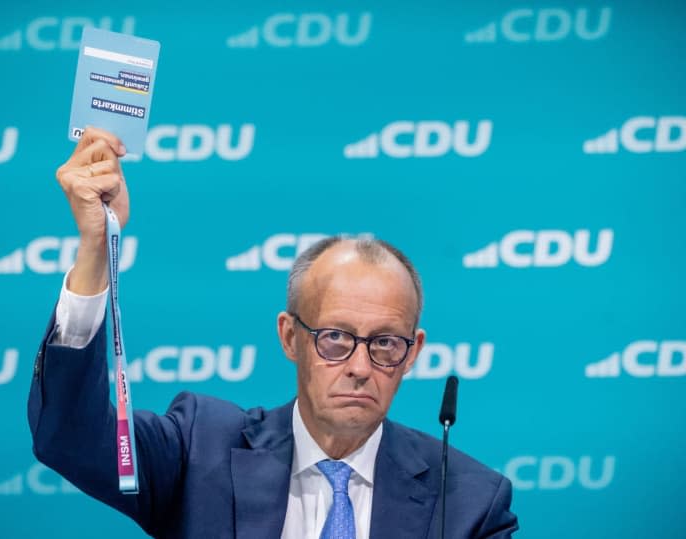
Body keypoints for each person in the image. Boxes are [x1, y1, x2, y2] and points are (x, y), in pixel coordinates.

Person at [28, 127, 519, 538]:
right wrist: (96, 248)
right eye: (336, 338)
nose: (360, 367)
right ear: (290, 337)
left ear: (413, 353)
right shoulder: (201, 451)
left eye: (385, 343)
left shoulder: (471, 504)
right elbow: (70, 436)